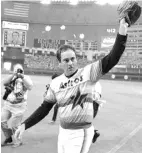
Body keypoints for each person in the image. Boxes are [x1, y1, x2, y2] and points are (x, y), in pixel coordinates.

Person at [15, 19, 128, 153]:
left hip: (80, 133)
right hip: (63, 132)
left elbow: (113, 57)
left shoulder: (88, 73)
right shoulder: (56, 83)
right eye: (66, 60)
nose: (70, 63)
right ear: (60, 63)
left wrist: (122, 30)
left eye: (73, 59)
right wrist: (24, 125)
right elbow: (44, 108)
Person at [1, 64, 33, 147]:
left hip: (19, 106)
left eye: (20, 70)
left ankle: (18, 141)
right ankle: (8, 137)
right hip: (8, 104)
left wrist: (22, 76)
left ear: (23, 70)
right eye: (16, 70)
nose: (18, 72)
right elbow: (4, 83)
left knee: (15, 125)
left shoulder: (26, 78)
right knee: (2, 121)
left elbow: (30, 86)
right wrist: (13, 75)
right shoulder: (11, 77)